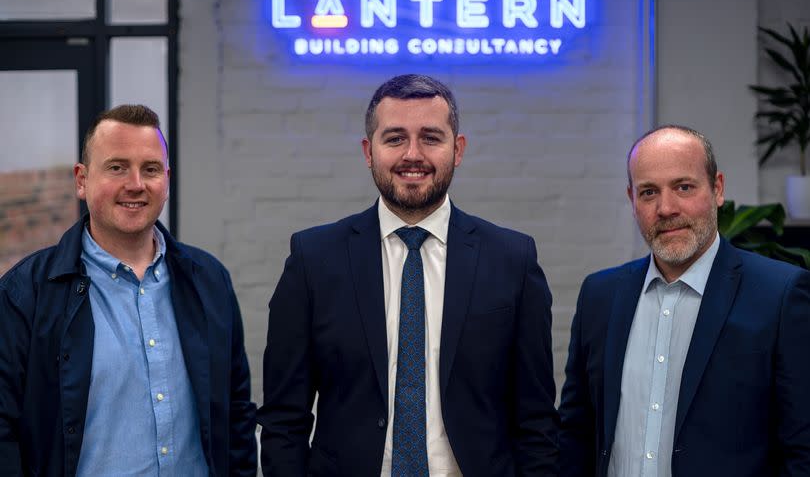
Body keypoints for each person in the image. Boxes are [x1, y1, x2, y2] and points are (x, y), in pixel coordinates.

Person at [258, 74, 558, 476]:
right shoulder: (313, 260)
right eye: (395, 138)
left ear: (458, 149)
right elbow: (283, 420)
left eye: (431, 138)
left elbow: (536, 422)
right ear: (369, 151)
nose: (412, 154)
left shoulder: (512, 260)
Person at [0, 105, 257, 476]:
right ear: (81, 180)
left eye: (150, 169)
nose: (135, 184)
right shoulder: (25, 294)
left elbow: (236, 414)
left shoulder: (209, 282)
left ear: (166, 180)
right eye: (117, 167)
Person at [558, 125, 810, 476]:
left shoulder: (779, 296)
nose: (666, 208)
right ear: (632, 200)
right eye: (648, 192)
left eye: (683, 187)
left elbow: (802, 449)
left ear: (717, 188)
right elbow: (575, 435)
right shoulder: (600, 297)